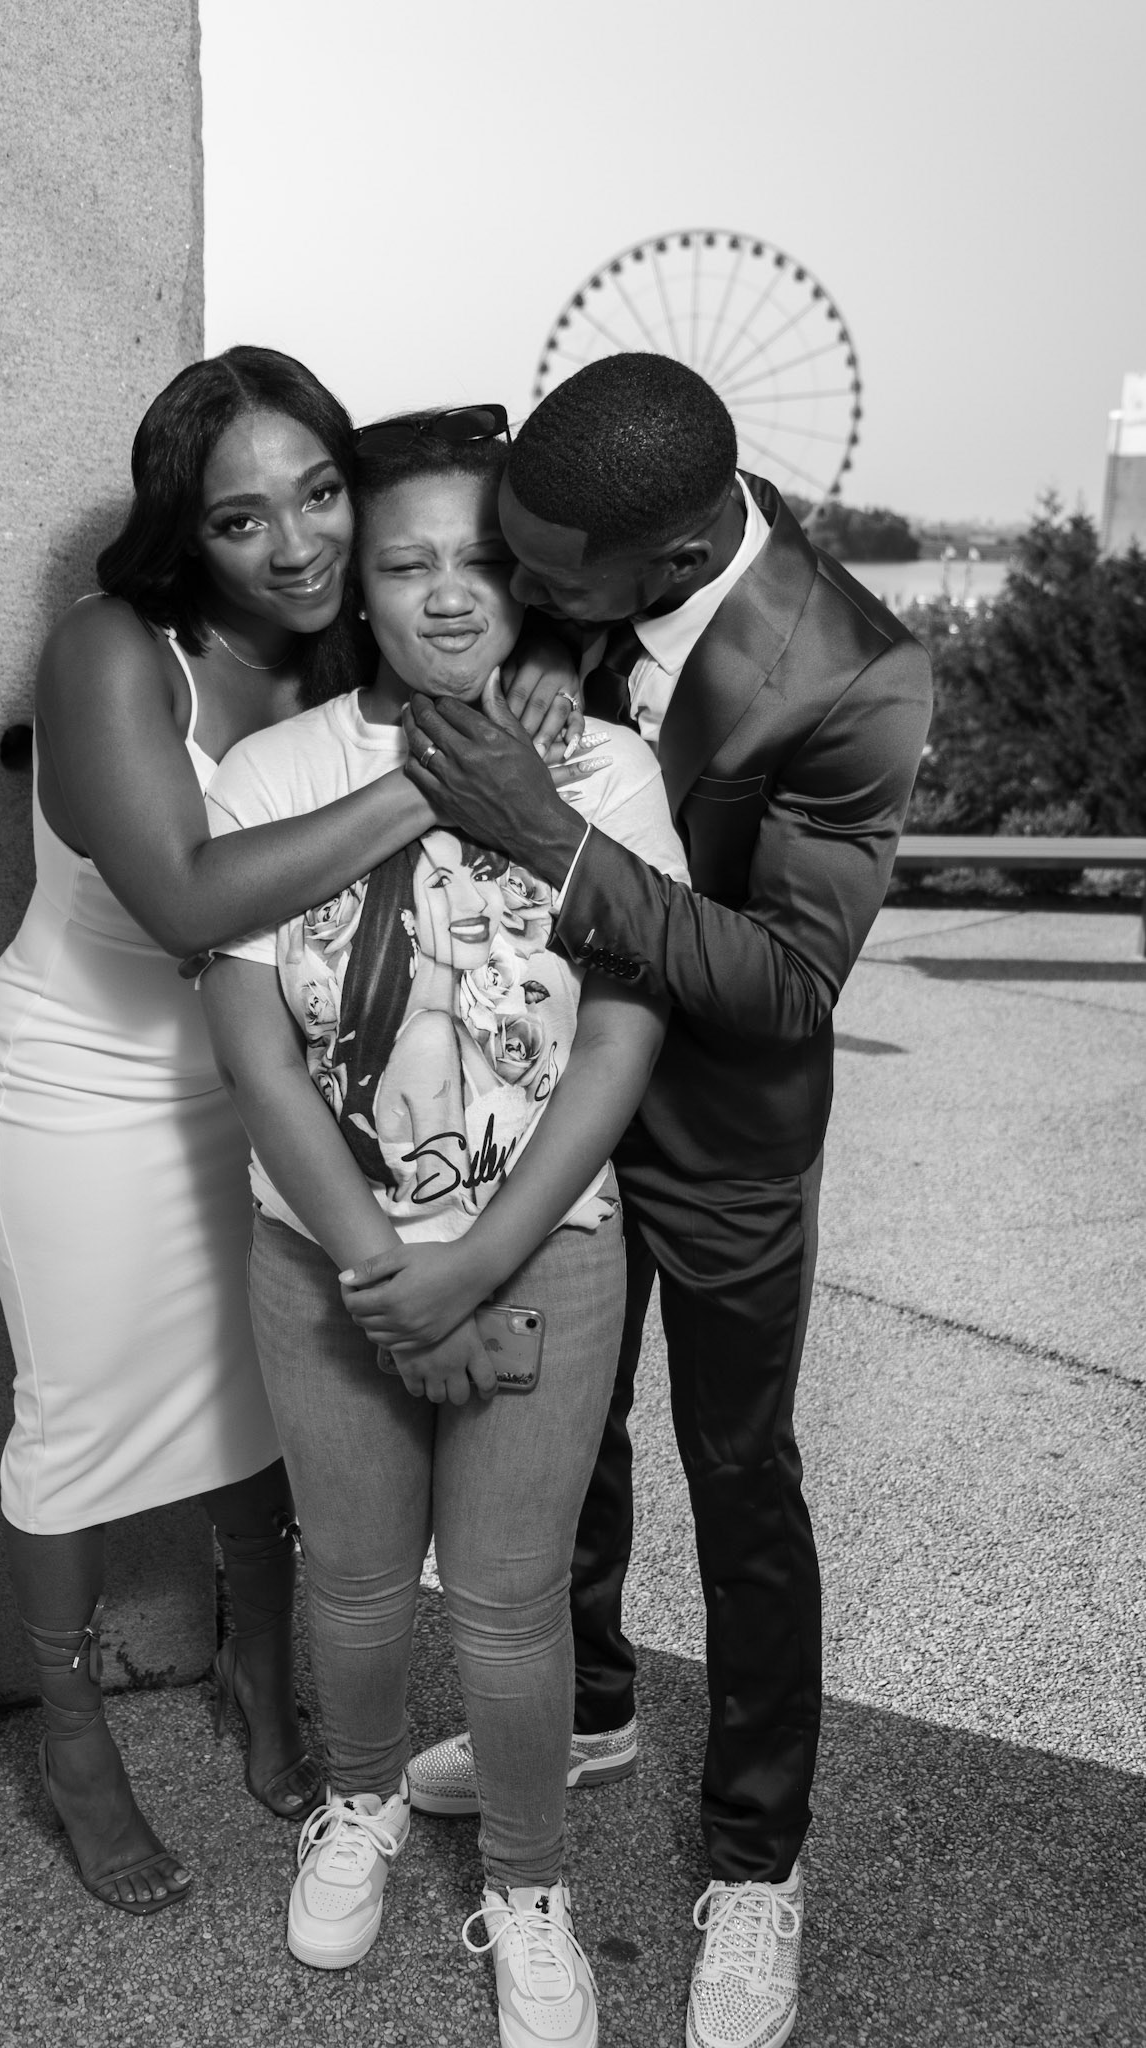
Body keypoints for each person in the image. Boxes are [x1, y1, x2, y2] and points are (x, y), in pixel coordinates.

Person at [0, 349, 580, 1917]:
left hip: (280, 1101)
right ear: (188, 532)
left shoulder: (335, 657)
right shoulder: (112, 649)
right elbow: (186, 901)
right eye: (243, 520)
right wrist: (448, 777)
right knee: (75, 1422)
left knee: (268, 1420)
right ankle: (75, 1747)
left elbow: (487, 604)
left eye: (318, 496)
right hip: (85, 1095)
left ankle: (259, 1677)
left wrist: (540, 674)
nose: (296, 544)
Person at [386, 355, 933, 2048]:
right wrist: (557, 647)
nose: (518, 594)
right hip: (549, 1103)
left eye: (548, 581)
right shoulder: (597, 558)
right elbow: (552, 618)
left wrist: (548, 838)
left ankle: (758, 1861)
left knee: (738, 1474)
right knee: (570, 1435)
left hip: (721, 1139)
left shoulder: (858, 673)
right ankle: (591, 1707)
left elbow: (783, 984)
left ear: (682, 551)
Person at [196, 415, 688, 2048]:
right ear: (360, 588)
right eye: (405, 564)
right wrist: (378, 1271)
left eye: (481, 561)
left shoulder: (605, 769)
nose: (449, 594)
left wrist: (473, 1265)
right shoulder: (277, 773)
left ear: (531, 583)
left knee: (505, 1602)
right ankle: (360, 1804)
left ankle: (531, 1887)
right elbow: (255, 1045)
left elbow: (620, 1033)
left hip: (546, 1247)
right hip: (320, 1253)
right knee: (348, 1579)